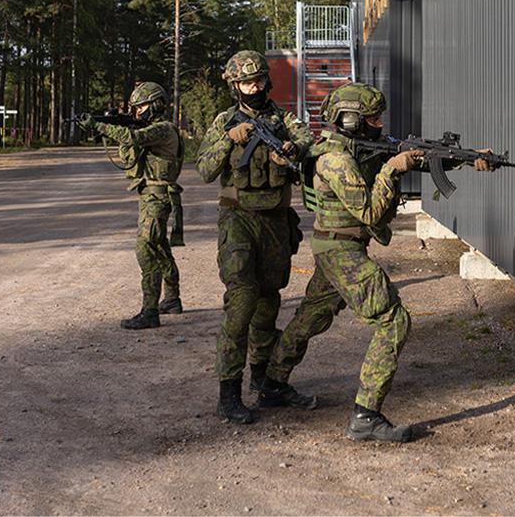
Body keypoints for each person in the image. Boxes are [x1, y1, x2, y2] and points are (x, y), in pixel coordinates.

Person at [258, 82, 493, 442]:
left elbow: (413, 158)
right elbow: (369, 210)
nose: (380, 124)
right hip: (341, 251)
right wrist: (392, 170)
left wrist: (465, 159)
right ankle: (365, 416)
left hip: (335, 248)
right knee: (393, 321)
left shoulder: (355, 148)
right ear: (350, 120)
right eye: (372, 118)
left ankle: (273, 383)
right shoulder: (335, 160)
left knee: (311, 317)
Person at [196, 50, 315, 424]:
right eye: (247, 83)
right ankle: (227, 392)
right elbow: (204, 170)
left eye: (260, 81)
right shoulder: (224, 121)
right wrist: (229, 141)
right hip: (239, 221)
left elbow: (308, 147)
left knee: (268, 302)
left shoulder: (284, 120)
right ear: (235, 86)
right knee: (242, 301)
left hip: (276, 222)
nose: (255, 88)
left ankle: (263, 383)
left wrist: (293, 150)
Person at [79, 82, 184, 330]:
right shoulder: (152, 129)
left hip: (157, 196)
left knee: (145, 249)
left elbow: (133, 137)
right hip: (151, 195)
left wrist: (101, 126)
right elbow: (129, 152)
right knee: (159, 248)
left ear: (157, 104)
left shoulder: (163, 129)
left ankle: (150, 311)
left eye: (142, 106)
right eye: (135, 108)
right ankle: (171, 299)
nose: (138, 112)